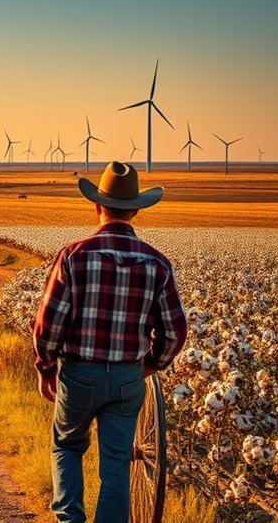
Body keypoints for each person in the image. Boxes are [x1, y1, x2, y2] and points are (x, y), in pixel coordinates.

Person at [34, 161, 187, 523]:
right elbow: (175, 331)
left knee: (67, 447)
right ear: (136, 210)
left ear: (97, 206)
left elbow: (48, 323)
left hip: (79, 374)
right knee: (117, 464)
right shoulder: (157, 264)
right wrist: (150, 365)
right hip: (127, 379)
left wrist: (46, 367)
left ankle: (70, 519)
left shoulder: (73, 255)